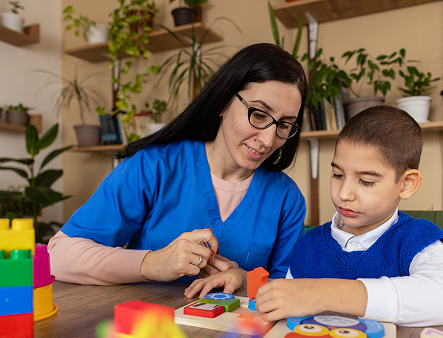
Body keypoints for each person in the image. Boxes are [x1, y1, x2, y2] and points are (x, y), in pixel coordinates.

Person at [47, 43, 307, 297]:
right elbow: (59, 255)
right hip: (147, 332)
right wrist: (152, 263)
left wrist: (242, 280)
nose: (268, 140)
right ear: (223, 103)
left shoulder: (287, 199)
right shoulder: (153, 166)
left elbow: (288, 286)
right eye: (259, 114)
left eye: (285, 125)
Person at [256, 106, 443, 327]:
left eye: (366, 181)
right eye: (338, 175)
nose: (344, 194)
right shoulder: (308, 246)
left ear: (406, 184)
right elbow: (285, 310)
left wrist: (323, 293)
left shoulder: (419, 240)